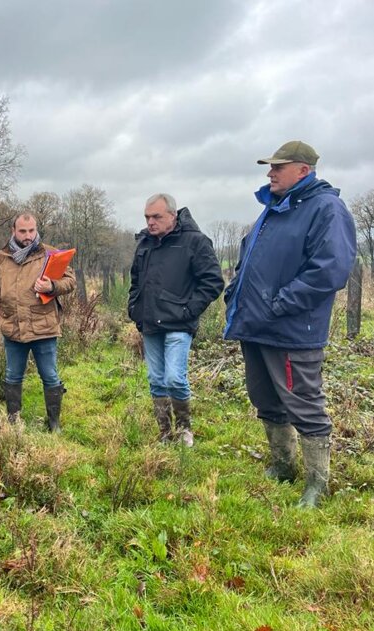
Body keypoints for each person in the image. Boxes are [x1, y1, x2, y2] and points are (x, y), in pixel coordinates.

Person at [224, 141, 356, 507]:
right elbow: (248, 260)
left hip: (292, 330)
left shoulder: (326, 209)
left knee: (303, 402)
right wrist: (235, 291)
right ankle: (283, 465)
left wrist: (280, 304)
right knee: (265, 397)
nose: (270, 173)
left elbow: (330, 269)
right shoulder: (272, 210)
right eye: (270, 167)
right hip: (256, 326)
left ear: (303, 170)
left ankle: (318, 483)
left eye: (277, 167)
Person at [128, 194, 224, 446]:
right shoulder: (145, 244)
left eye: (156, 216)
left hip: (179, 324)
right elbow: (136, 280)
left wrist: (189, 310)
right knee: (156, 379)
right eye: (147, 217)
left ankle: (184, 429)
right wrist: (135, 308)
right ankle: (164, 432)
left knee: (174, 378)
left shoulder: (195, 241)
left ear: (172, 215)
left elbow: (213, 282)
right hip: (150, 322)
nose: (151, 222)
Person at [0, 212, 76, 432]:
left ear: (36, 229)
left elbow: (70, 281)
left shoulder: (50, 254)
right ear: (13, 231)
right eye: (22, 231)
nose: (28, 236)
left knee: (49, 375)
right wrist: (0, 317)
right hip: (12, 328)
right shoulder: (0, 257)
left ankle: (54, 423)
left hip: (43, 327)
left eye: (31, 231)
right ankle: (13, 421)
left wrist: (52, 287)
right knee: (12, 375)